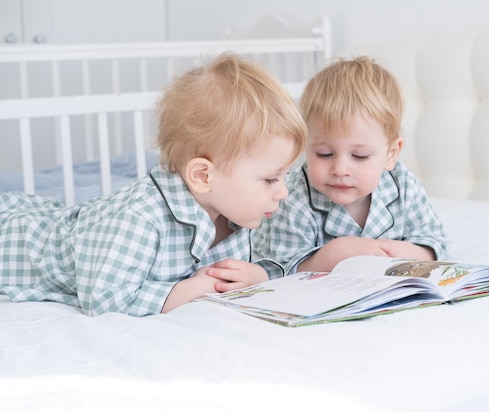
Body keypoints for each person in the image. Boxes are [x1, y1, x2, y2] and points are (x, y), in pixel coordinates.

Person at [0, 53, 307, 316]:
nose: (283, 192)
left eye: (285, 176)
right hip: (18, 243)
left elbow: (261, 265)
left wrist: (255, 274)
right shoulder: (139, 218)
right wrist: (189, 291)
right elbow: (105, 300)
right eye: (270, 179)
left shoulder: (237, 213)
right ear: (203, 176)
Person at [254, 56, 448, 277]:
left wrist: (393, 252)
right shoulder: (294, 197)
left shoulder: (402, 184)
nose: (340, 169)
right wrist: (333, 255)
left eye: (360, 156)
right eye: (324, 154)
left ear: (391, 154)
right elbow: (277, 268)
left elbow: (435, 243)